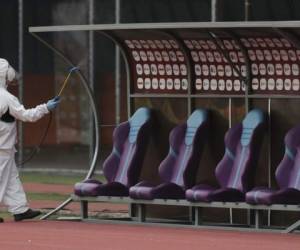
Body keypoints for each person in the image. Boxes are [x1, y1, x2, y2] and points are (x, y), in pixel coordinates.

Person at [0, 58, 60, 222]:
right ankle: (20, 209)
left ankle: (20, 209)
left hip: (5, 147)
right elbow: (26, 116)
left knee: (12, 178)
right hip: (2, 148)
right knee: (2, 179)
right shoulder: (7, 98)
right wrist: (45, 108)